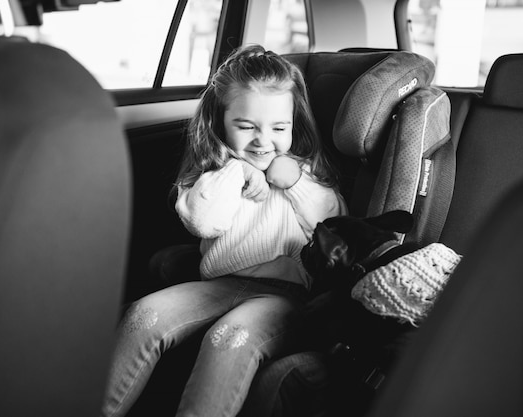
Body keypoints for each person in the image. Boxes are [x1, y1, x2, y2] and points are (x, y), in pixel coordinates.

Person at [100, 44, 346, 417]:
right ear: (220, 122)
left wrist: (294, 182)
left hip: (285, 295)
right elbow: (204, 221)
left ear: (294, 126)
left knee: (229, 339)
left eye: (279, 128)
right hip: (219, 283)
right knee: (142, 315)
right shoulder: (213, 175)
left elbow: (332, 225)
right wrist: (237, 171)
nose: (263, 140)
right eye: (246, 127)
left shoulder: (304, 173)